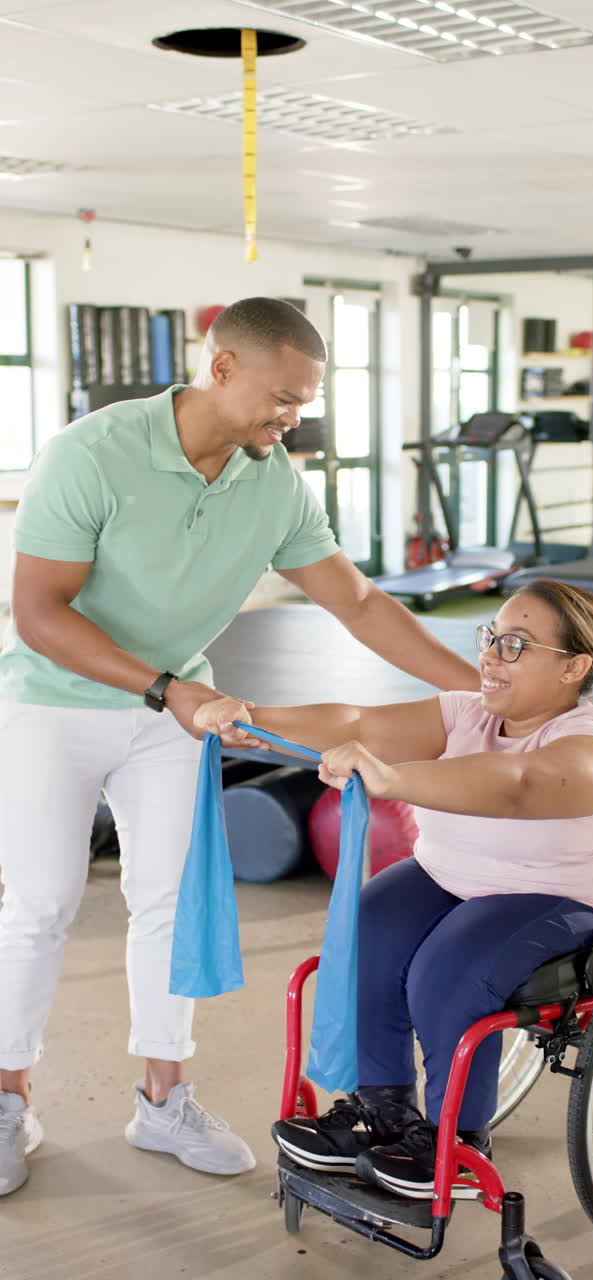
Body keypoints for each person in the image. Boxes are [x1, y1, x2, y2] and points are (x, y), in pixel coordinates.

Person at [0, 297, 482, 1198]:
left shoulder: (272, 479)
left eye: (303, 402)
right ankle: (6, 1100)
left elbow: (361, 603)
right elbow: (37, 615)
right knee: (38, 906)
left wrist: (474, 688)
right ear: (220, 368)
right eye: (282, 398)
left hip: (174, 715)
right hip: (53, 707)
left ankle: (162, 1100)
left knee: (168, 907)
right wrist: (166, 688)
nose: (292, 419)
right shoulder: (93, 453)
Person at [195, 579, 593, 1201]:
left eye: (516, 644)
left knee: (447, 970)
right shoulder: (471, 712)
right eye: (491, 637)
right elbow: (357, 722)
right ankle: (383, 1114)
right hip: (454, 877)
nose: (491, 656)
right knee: (361, 936)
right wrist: (252, 718)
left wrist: (394, 778)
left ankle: (456, 1143)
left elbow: (518, 784)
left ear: (575, 666)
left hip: (563, 896)